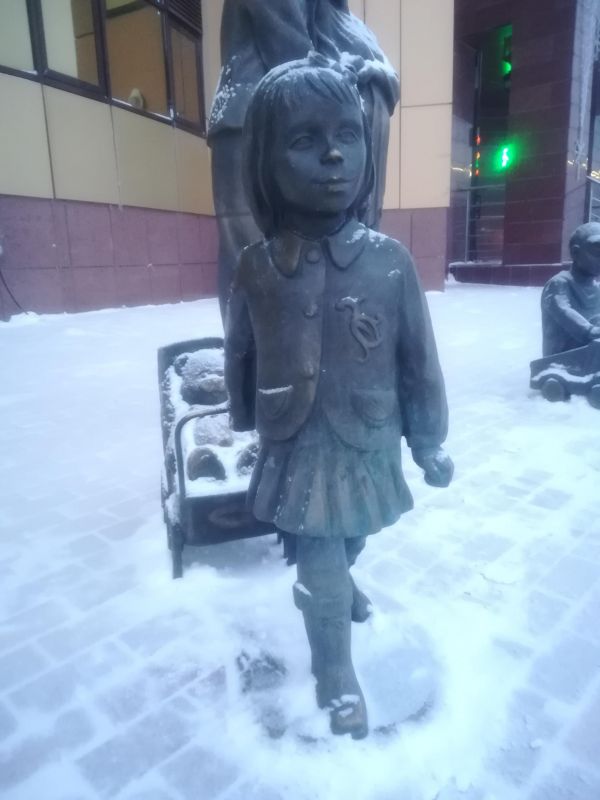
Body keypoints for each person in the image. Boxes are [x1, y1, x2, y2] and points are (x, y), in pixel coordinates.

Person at [224, 58, 452, 740]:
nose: (333, 155)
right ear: (265, 163)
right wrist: (243, 414)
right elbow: (241, 346)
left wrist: (428, 440)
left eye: (348, 135)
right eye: (306, 140)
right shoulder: (257, 266)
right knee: (320, 544)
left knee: (351, 534)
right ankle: (334, 670)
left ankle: (338, 584)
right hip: (295, 435)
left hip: (369, 432)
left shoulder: (390, 261)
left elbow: (419, 358)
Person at [208, 0, 400, 318]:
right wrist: (342, 85)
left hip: (288, 129)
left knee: (285, 254)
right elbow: (292, 53)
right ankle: (247, 345)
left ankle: (294, 344)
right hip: (250, 122)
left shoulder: (338, 18)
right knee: (251, 255)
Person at [541, 222, 600, 356]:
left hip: (590, 353)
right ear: (575, 252)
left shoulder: (597, 287)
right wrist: (589, 331)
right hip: (562, 359)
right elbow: (563, 312)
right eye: (597, 252)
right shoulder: (559, 283)